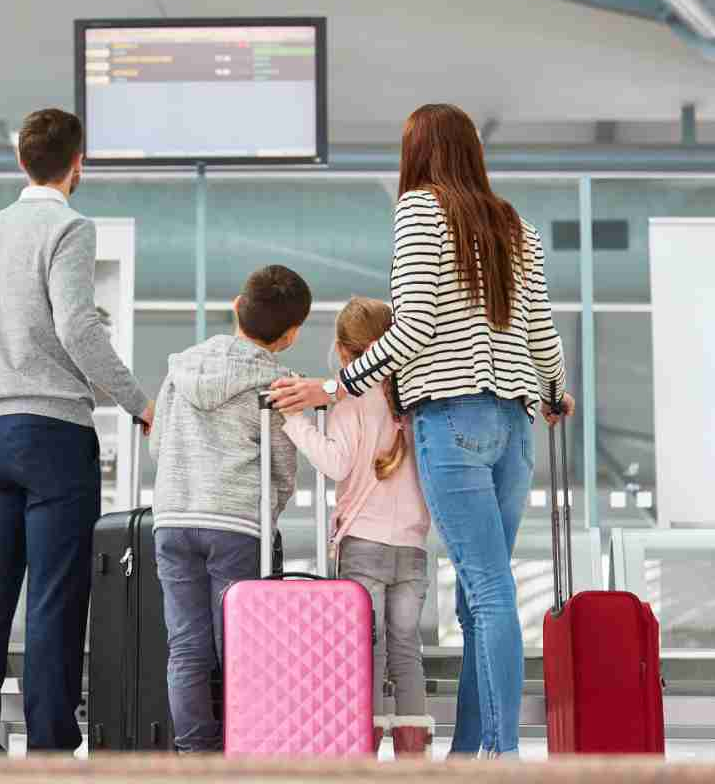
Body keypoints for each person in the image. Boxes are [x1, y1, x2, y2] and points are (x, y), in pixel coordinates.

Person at [270, 103, 575, 759]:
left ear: (419, 153)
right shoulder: (516, 226)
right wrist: (554, 393)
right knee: (478, 599)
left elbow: (412, 331)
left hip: (454, 417)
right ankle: (470, 753)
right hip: (514, 427)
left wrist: (331, 388)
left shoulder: (420, 212)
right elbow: (543, 334)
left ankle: (503, 754)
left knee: (488, 593)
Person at [0, 107, 153, 752]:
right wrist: (139, 404)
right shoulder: (69, 227)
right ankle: (51, 746)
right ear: (77, 162)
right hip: (55, 433)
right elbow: (78, 328)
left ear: (20, 162)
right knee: (55, 597)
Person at [149, 264, 311, 753]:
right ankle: (244, 750)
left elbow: (158, 446)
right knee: (239, 649)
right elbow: (283, 467)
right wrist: (270, 511)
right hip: (237, 524)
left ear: (237, 306)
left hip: (174, 520)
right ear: (290, 336)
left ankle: (195, 757)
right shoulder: (280, 383)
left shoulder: (182, 365)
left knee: (186, 649)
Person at [278, 296, 433, 758]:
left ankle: (361, 749)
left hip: (364, 543)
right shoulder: (416, 397)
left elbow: (335, 460)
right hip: (413, 546)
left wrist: (293, 421)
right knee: (406, 650)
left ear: (345, 353)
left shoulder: (353, 398)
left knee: (366, 650)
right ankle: (413, 756)